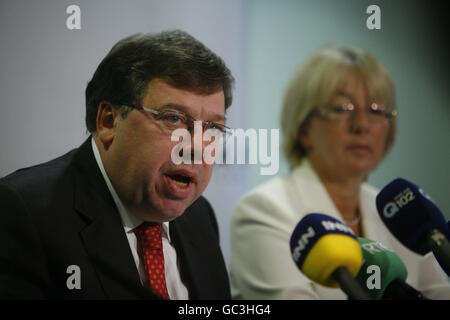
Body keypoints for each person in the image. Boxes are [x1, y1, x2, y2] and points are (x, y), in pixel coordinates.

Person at [0, 30, 234, 299]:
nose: (196, 148)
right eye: (173, 119)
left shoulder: (199, 217)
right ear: (109, 121)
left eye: (213, 128)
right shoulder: (22, 212)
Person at [230, 45, 450, 299]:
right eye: (341, 108)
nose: (362, 125)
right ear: (303, 128)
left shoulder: (402, 214)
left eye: (377, 110)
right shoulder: (264, 210)